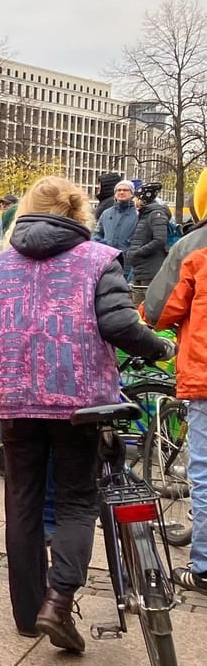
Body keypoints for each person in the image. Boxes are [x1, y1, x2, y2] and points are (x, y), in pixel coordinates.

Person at [0, 176, 175, 649]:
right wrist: (160, 349)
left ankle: (27, 616)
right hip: (81, 402)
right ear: (79, 213)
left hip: (15, 400)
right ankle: (58, 602)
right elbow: (121, 324)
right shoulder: (98, 260)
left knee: (22, 503)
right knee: (76, 501)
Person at [141, 206, 207, 599]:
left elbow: (159, 310)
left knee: (205, 472)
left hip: (204, 375)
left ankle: (203, 568)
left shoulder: (194, 245)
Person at [126, 188, 170, 299]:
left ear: (143, 199)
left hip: (150, 269)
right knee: (137, 308)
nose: (134, 200)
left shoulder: (156, 215)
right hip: (140, 269)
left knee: (148, 305)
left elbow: (159, 240)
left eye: (136, 197)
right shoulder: (144, 214)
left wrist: (138, 252)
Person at [93, 180, 137, 265]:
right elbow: (97, 233)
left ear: (132, 194)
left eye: (125, 190)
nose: (121, 192)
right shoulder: (106, 213)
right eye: (118, 190)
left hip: (127, 261)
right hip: (107, 260)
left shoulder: (137, 214)